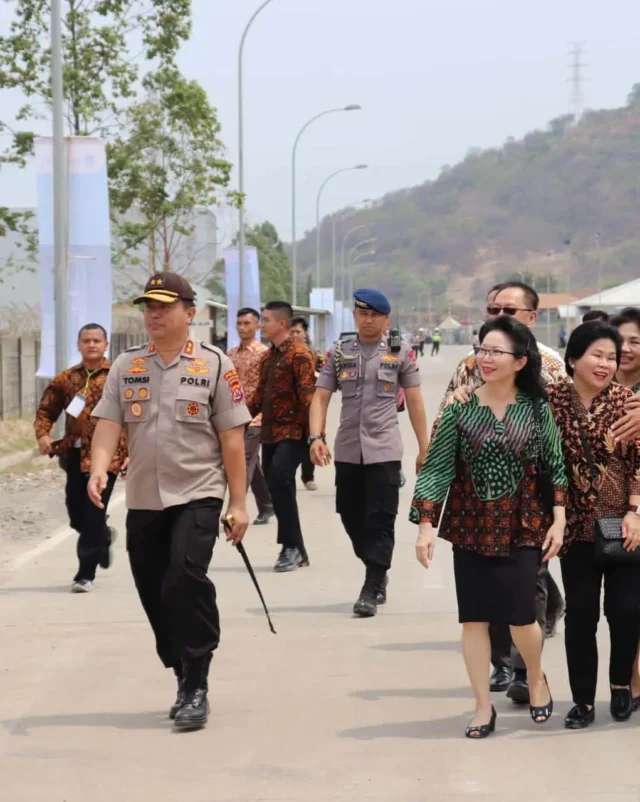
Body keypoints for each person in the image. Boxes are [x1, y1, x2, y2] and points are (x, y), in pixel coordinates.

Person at [88, 273, 250, 731]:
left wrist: (239, 502)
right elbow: (107, 423)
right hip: (143, 496)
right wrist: (100, 466)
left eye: (164, 306)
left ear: (189, 313)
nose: (154, 315)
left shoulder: (216, 364)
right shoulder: (126, 365)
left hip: (199, 491)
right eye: (149, 307)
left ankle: (196, 681)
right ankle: (181, 669)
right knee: (153, 590)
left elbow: (232, 438)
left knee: (184, 576)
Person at [412, 316, 567, 738]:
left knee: (520, 617)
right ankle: (483, 706)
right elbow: (437, 469)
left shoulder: (537, 409)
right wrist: (426, 524)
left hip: (523, 525)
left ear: (520, 361)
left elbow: (555, 465)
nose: (485, 358)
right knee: (474, 619)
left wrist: (559, 518)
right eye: (482, 350)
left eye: (496, 352)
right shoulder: (461, 407)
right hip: (471, 526)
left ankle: (535, 675)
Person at [442, 281, 567, 701]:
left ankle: (523, 670)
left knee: (524, 588)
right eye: (494, 308)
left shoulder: (552, 367)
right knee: (486, 601)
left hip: (530, 501)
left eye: (510, 310)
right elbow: (451, 421)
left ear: (531, 316)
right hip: (477, 507)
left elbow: (561, 435)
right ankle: (502, 666)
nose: (500, 316)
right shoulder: (469, 366)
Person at [309, 289, 428, 617]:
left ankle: (371, 584)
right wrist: (314, 437)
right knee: (349, 514)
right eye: (363, 313)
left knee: (380, 519)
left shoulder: (401, 351)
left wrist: (424, 447)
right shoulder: (340, 351)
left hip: (384, 449)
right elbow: (320, 396)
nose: (368, 319)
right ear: (355, 316)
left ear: (386, 319)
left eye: (375, 314)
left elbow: (415, 401)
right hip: (348, 450)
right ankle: (376, 568)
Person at [546, 322, 640, 728]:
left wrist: (635, 511)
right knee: (581, 614)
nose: (605, 364)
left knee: (626, 610)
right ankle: (583, 699)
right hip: (574, 529)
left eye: (611, 358)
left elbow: (639, 462)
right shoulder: (549, 401)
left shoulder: (627, 402)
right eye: (597, 355)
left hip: (623, 526)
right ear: (573, 359)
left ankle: (621, 685)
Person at [34, 323, 127, 593]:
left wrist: (130, 452)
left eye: (97, 340)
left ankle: (85, 574)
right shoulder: (67, 379)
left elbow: (134, 416)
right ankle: (104, 537)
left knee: (93, 514)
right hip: (73, 454)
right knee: (76, 515)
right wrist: (43, 435)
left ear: (106, 344)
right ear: (78, 344)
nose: (92, 345)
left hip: (107, 457)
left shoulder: (118, 377)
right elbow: (46, 409)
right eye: (86, 340)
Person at [249, 301, 316, 572]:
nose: (261, 325)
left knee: (280, 479)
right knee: (276, 487)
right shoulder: (268, 357)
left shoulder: (300, 355)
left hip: (294, 432)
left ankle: (289, 547)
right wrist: (235, 420)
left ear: (283, 324)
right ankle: (297, 548)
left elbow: (310, 398)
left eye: (265, 320)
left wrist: (316, 436)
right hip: (270, 433)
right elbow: (258, 396)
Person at [610, 308, 640, 709]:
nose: (626, 349)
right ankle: (630, 679)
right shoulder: (590, 388)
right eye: (621, 341)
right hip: (610, 515)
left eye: (636, 341)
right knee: (626, 605)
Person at [228, 307, 274, 526]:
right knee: (252, 464)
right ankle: (267, 506)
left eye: (247, 323)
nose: (242, 328)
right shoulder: (230, 355)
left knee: (243, 460)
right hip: (235, 418)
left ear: (257, 326)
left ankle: (235, 510)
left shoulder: (265, 354)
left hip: (257, 419)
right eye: (239, 323)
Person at [290, 316, 318, 491]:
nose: (294, 335)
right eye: (291, 331)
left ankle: (308, 477)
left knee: (310, 440)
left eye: (297, 332)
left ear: (305, 334)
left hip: (309, 406)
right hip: (288, 408)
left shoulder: (313, 354)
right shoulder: (280, 354)